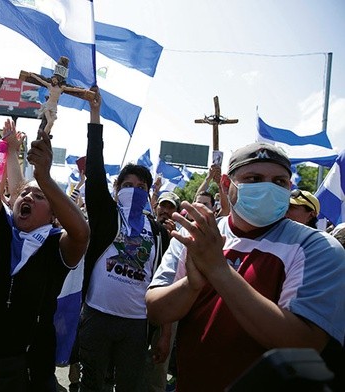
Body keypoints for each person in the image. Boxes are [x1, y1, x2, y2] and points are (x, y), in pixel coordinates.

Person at [146, 142, 345, 392]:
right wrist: (192, 284)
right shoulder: (198, 235)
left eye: (280, 182)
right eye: (254, 178)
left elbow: (302, 344)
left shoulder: (318, 248)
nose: (269, 188)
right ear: (228, 185)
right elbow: (156, 311)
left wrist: (218, 270)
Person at [0, 64, 89, 392]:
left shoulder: (58, 246)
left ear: (53, 212)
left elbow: (82, 232)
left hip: (31, 372)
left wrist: (43, 177)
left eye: (38, 196)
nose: (26, 196)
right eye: (23, 193)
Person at [78, 87, 171, 392]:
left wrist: (164, 333)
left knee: (130, 386)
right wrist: (95, 116)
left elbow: (166, 283)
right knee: (92, 384)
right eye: (127, 184)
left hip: (136, 324)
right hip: (97, 315)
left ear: (148, 193)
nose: (134, 189)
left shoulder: (158, 232)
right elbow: (93, 168)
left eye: (141, 186)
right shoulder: (107, 216)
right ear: (117, 189)